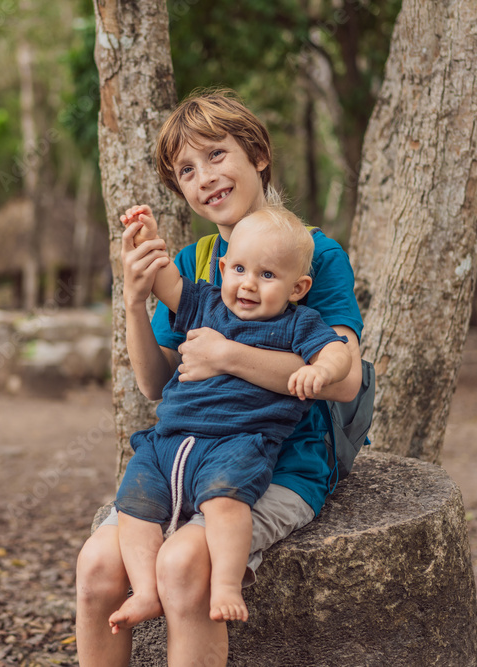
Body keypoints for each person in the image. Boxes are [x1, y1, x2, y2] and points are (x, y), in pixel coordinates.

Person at [76, 89, 364, 667]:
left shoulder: (312, 254)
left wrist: (227, 355)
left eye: (215, 155)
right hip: (186, 455)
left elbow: (343, 379)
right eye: (186, 170)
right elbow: (157, 385)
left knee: (183, 565)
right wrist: (134, 302)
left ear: (257, 154)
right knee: (97, 567)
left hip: (277, 459)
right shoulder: (190, 265)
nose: (204, 177)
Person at [108, 203, 351, 632]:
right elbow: (166, 282)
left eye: (268, 275)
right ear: (222, 268)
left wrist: (319, 370)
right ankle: (145, 590)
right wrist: (146, 237)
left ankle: (225, 584)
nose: (249, 285)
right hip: (168, 441)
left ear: (299, 288)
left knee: (226, 501)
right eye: (239, 269)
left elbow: (338, 353)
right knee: (135, 506)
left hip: (237, 441)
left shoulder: (299, 325)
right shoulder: (203, 302)